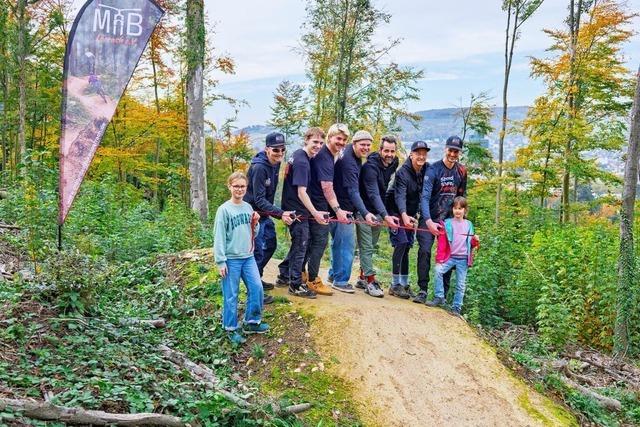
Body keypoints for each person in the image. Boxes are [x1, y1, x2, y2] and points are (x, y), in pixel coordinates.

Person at [213, 172, 269, 345]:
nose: (239, 189)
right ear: (229, 186)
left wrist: (256, 223)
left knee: (257, 288)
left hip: (248, 257)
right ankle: (230, 328)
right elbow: (219, 236)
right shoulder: (224, 210)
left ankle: (251, 322)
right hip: (231, 259)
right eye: (236, 186)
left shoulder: (248, 207)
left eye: (242, 186)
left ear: (246, 188)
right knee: (231, 295)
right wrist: (220, 261)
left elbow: (254, 233)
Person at [244, 132, 294, 304]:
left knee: (271, 245)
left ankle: (257, 280)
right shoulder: (259, 168)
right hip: (254, 216)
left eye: (282, 149)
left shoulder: (276, 164)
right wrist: (281, 213)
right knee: (257, 252)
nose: (279, 153)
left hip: (265, 214)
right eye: (275, 150)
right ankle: (253, 291)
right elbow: (258, 199)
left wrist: (278, 214)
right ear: (267, 149)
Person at [301, 124, 351, 296]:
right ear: (330, 138)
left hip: (316, 203)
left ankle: (300, 273)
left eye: (344, 140)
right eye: (338, 138)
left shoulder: (332, 154)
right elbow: (327, 187)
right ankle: (313, 279)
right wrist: (338, 210)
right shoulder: (324, 157)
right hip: (318, 204)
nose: (342, 142)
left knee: (311, 241)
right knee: (320, 241)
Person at [417, 135, 468, 303]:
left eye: (456, 151)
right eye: (451, 150)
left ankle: (442, 295)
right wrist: (429, 221)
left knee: (449, 256)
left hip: (449, 222)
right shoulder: (433, 169)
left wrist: (461, 222)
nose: (453, 154)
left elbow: (461, 198)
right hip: (429, 218)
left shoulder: (461, 171)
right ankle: (423, 290)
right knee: (424, 251)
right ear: (445, 149)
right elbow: (424, 197)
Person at [277, 130, 328, 298]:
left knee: (299, 244)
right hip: (296, 210)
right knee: (301, 245)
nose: (318, 146)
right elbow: (301, 192)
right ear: (306, 140)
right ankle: (295, 285)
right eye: (315, 142)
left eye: (321, 143)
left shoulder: (299, 155)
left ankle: (285, 273)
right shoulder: (302, 162)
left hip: (295, 208)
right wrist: (315, 213)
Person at [328, 130, 379, 293]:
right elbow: (352, 191)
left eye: (368, 145)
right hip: (342, 208)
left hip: (336, 205)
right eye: (362, 144)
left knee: (338, 242)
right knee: (346, 245)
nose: (365, 148)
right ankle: (341, 281)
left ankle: (333, 274)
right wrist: (365, 212)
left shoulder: (350, 153)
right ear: (355, 144)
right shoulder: (349, 162)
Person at [355, 135, 400, 297]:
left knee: (371, 245)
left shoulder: (394, 162)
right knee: (366, 247)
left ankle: (361, 277)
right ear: (380, 150)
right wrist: (386, 216)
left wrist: (384, 213)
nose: (389, 154)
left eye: (392, 151)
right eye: (386, 150)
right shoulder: (370, 168)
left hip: (379, 210)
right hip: (364, 210)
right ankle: (370, 281)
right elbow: (373, 193)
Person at [386, 141, 429, 299]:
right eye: (418, 153)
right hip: (395, 211)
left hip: (410, 213)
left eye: (424, 153)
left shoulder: (425, 169)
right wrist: (403, 215)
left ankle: (404, 283)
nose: (421, 156)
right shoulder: (403, 172)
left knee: (407, 246)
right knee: (401, 243)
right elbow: (400, 195)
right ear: (411, 154)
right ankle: (394, 284)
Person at [426, 196, 479, 315]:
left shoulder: (469, 224)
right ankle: (439, 296)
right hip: (450, 257)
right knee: (438, 270)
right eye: (455, 208)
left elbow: (471, 243)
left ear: (465, 210)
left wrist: (475, 240)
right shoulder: (447, 223)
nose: (457, 211)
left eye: (460, 208)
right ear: (452, 210)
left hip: (463, 259)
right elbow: (442, 243)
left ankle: (456, 307)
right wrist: (439, 259)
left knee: (460, 284)